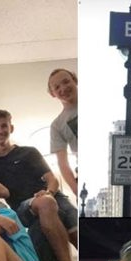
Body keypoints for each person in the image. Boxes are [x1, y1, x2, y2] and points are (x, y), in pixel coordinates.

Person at [0, 110, 77, 261]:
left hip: (54, 197)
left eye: (3, 126)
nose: (0, 131)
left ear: (11, 128)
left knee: (74, 226)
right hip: (24, 207)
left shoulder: (29, 152)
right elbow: (1, 191)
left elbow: (51, 179)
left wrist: (48, 192)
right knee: (46, 204)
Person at [47, 68, 78, 197]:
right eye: (57, 87)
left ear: (75, 80)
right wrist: (76, 190)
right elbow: (63, 164)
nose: (63, 88)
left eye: (66, 82)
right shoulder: (57, 125)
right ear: (53, 94)